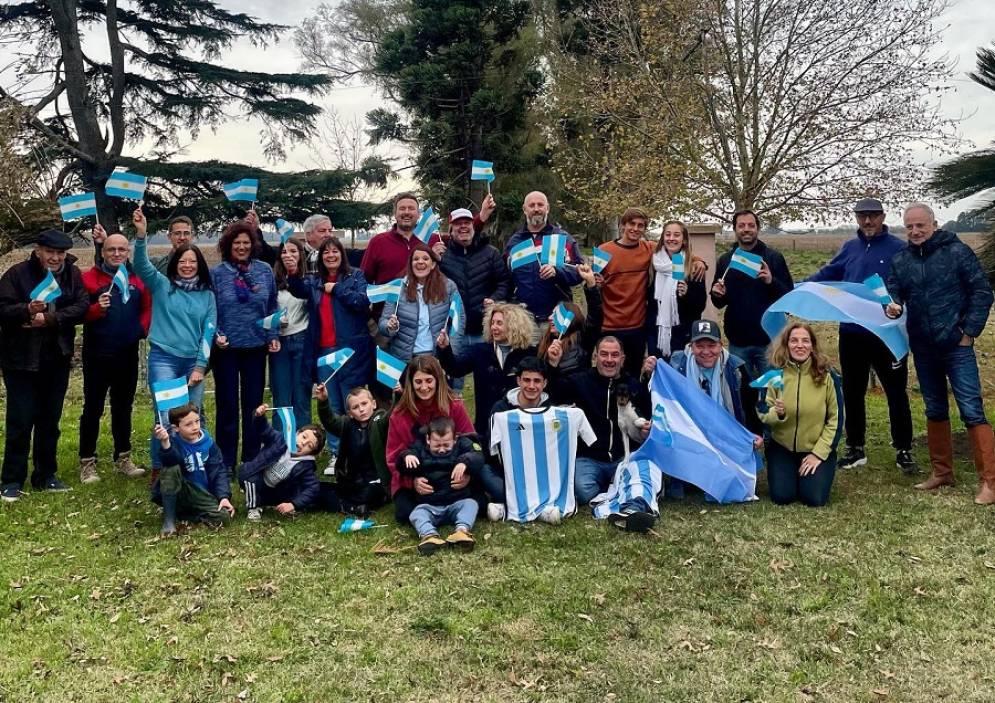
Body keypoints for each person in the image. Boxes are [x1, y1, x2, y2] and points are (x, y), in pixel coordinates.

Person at [886, 203, 995, 504]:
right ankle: (942, 472)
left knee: (971, 410)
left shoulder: (957, 253)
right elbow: (893, 293)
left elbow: (982, 292)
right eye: (909, 226)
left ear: (933, 224)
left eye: (920, 225)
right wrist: (891, 306)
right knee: (934, 409)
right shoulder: (901, 260)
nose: (915, 231)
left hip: (956, 347)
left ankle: (990, 481)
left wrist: (968, 333)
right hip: (923, 348)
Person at [807, 197, 915, 473]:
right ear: (856, 218)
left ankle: (904, 448)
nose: (867, 221)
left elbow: (908, 284)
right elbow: (829, 273)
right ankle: (855, 447)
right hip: (853, 333)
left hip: (887, 334)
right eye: (862, 216)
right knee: (852, 392)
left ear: (882, 217)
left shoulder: (899, 249)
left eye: (873, 216)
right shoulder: (850, 248)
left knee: (896, 393)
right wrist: (802, 287)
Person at [0, 229, 88, 501]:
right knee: (21, 420)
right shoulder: (16, 275)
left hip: (57, 358)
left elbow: (82, 306)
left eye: (60, 253)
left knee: (50, 421)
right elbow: (2, 308)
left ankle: (46, 475)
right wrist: (26, 310)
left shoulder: (72, 275)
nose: (55, 258)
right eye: (50, 252)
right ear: (38, 250)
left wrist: (50, 319)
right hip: (21, 360)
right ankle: (12, 480)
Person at [132, 209, 216, 479]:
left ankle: (198, 465)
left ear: (199, 264)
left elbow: (209, 332)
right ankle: (162, 468)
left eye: (193, 261)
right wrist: (142, 235)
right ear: (176, 262)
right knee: (166, 416)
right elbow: (142, 265)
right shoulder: (162, 285)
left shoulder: (207, 296)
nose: (188, 265)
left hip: (193, 363)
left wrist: (200, 367)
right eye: (183, 261)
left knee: (194, 416)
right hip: (164, 359)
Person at [288, 237, 373, 469]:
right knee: (333, 403)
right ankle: (336, 453)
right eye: (326, 253)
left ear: (341, 254)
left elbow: (363, 301)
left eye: (335, 251)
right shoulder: (315, 281)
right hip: (324, 352)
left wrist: (337, 289)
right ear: (321, 257)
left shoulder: (355, 276)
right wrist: (293, 272)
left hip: (350, 351)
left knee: (354, 404)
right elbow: (297, 289)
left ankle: (359, 451)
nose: (331, 256)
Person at [78, 229, 152, 484]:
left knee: (123, 407)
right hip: (97, 353)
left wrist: (141, 330)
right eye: (111, 249)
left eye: (122, 249)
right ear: (103, 251)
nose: (117, 253)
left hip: (127, 353)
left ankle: (123, 458)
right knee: (93, 407)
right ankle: (87, 461)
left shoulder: (137, 279)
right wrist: (96, 309)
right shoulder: (89, 279)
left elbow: (147, 308)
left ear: (128, 252)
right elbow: (78, 312)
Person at [710, 209, 792, 433]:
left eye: (750, 225)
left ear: (757, 227)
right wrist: (717, 293)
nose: (746, 230)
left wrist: (770, 280)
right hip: (738, 340)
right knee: (741, 392)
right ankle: (747, 434)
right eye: (741, 226)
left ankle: (771, 435)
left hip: (769, 341)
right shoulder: (727, 260)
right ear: (735, 229)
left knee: (772, 392)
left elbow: (788, 296)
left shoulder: (773, 257)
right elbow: (719, 302)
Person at [598, 209, 706, 375]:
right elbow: (593, 279)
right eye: (631, 224)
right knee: (611, 372)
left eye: (640, 225)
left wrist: (698, 262)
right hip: (614, 325)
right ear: (622, 225)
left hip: (645, 328)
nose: (635, 228)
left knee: (637, 373)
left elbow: (698, 303)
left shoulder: (651, 250)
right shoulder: (653, 260)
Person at [547, 335, 653, 504]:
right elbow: (555, 392)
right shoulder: (580, 381)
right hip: (588, 458)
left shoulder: (633, 386)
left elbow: (649, 413)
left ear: (622, 359)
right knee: (582, 491)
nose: (609, 360)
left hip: (622, 457)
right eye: (604, 354)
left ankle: (615, 485)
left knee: (642, 479)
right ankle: (614, 488)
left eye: (614, 355)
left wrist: (649, 376)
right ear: (595, 357)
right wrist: (552, 364)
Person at [210, 219, 280, 469]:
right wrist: (217, 333)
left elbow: (272, 305)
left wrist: (272, 336)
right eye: (237, 243)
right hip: (226, 349)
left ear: (253, 245)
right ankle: (225, 460)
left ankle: (251, 457)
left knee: (253, 404)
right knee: (227, 404)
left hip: (256, 347)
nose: (241, 247)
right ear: (228, 245)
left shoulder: (264, 270)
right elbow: (211, 310)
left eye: (246, 243)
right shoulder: (217, 274)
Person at [667, 319, 761, 498]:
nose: (706, 351)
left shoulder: (736, 367)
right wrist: (648, 373)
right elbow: (661, 397)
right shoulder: (677, 365)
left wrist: (753, 433)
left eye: (712, 345)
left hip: (723, 432)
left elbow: (749, 404)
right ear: (691, 346)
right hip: (690, 432)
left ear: (721, 345)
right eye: (699, 346)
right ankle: (680, 476)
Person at [757, 323, 843, 507]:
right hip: (782, 447)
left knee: (814, 498)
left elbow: (836, 419)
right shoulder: (773, 374)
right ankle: (787, 471)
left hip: (815, 448)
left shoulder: (827, 376)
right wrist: (777, 414)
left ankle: (815, 470)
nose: (799, 345)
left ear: (812, 345)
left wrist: (818, 454)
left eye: (805, 341)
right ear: (786, 344)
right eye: (794, 340)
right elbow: (762, 411)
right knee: (782, 497)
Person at [385, 356, 475, 524]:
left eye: (429, 380)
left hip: (450, 475)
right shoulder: (399, 415)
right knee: (404, 514)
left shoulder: (454, 406)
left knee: (480, 505)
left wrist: (467, 473)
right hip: (419, 478)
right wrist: (412, 482)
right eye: (418, 382)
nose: (424, 387)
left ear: (438, 380)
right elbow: (393, 458)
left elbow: (471, 441)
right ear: (410, 383)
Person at [436, 301, 538, 436]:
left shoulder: (530, 353)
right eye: (492, 323)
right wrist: (444, 350)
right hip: (487, 424)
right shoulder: (479, 351)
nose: (494, 327)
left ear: (514, 325)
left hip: (521, 424)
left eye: (499, 323)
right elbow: (455, 369)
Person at [478, 356, 555, 520]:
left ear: (545, 383)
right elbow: (492, 448)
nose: (531, 386)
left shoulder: (552, 409)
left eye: (537, 381)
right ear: (518, 381)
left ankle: (505, 508)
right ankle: (539, 508)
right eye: (526, 380)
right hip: (507, 473)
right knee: (485, 472)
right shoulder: (501, 408)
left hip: (541, 473)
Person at [398, 416, 482, 555]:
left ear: (454, 439)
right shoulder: (419, 448)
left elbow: (477, 454)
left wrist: (465, 462)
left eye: (446, 445)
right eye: (437, 445)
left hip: (457, 501)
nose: (442, 450)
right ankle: (429, 536)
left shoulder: (463, 444)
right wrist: (406, 456)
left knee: (471, 504)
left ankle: (461, 532)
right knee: (416, 513)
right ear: (428, 439)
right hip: (430, 504)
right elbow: (401, 462)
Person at [438, 205, 511, 356]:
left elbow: (504, 282)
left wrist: (495, 299)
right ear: (450, 230)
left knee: (488, 376)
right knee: (453, 375)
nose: (463, 226)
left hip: (485, 330)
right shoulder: (442, 256)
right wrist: (434, 258)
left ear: (473, 226)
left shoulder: (491, 253)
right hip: (454, 330)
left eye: (467, 222)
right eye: (458, 223)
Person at [152, 403, 234, 536]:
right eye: (188, 424)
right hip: (182, 489)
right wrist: (166, 443)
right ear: (176, 428)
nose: (195, 427)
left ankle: (186, 514)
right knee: (170, 469)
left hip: (202, 494)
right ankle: (169, 521)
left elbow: (219, 472)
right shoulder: (173, 442)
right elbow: (170, 462)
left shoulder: (209, 444)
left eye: (197, 421)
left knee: (224, 517)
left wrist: (223, 497)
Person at [504, 191, 584, 325]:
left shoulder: (562, 238)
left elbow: (580, 272)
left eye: (540, 205)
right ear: (524, 210)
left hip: (556, 318)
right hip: (524, 319)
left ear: (547, 208)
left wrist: (557, 271)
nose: (536, 209)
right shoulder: (514, 242)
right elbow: (506, 279)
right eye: (532, 205)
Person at [237, 404, 326, 521]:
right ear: (298, 433)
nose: (303, 443)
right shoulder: (280, 439)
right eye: (304, 437)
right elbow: (264, 430)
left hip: (278, 492)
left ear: (310, 453)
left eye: (309, 445)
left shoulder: (306, 466)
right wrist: (259, 417)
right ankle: (254, 507)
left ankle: (271, 503)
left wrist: (294, 504)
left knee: (294, 491)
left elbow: (313, 488)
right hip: (258, 478)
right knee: (250, 478)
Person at [315, 385, 390, 516]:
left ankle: (348, 505)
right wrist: (323, 401)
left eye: (364, 404)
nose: (361, 409)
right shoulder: (347, 424)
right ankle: (353, 506)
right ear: (350, 413)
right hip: (352, 481)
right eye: (355, 407)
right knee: (319, 489)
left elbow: (392, 416)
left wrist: (398, 395)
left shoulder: (380, 420)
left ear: (373, 404)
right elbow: (330, 422)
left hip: (375, 481)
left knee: (371, 493)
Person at [379, 246, 462, 362]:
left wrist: (452, 353)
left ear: (433, 265)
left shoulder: (449, 286)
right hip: (405, 358)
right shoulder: (397, 288)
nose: (420, 262)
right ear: (411, 264)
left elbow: (459, 320)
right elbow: (383, 323)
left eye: (425, 259)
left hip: (437, 357)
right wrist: (389, 326)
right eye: (416, 259)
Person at [270, 237, 313, 432]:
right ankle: (280, 445)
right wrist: (274, 323)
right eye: (285, 252)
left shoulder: (308, 279)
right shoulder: (272, 281)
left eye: (294, 251)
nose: (289, 255)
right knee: (281, 396)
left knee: (301, 395)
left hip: (302, 340)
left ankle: (304, 443)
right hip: (279, 344)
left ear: (301, 255)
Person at [647, 219, 707, 359]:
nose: (671, 238)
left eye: (676, 235)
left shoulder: (694, 267)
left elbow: (700, 306)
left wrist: (687, 294)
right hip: (656, 333)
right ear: (663, 238)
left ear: (684, 240)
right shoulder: (654, 264)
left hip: (683, 334)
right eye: (667, 235)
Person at [361, 193, 442, 285]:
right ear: (395, 214)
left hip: (426, 298)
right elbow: (364, 279)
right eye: (402, 208)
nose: (407, 212)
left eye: (411, 208)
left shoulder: (434, 240)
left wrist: (436, 257)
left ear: (418, 214)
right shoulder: (378, 242)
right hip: (389, 298)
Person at [538, 263, 602, 377]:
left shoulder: (583, 339)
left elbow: (595, 314)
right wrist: (552, 363)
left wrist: (591, 283)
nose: (549, 318)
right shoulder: (544, 342)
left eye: (556, 315)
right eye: (551, 314)